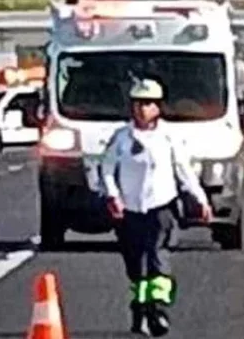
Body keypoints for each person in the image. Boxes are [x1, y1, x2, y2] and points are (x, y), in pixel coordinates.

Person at [100, 78, 213, 336]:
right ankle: (141, 310)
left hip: (161, 207)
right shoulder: (121, 138)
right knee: (136, 265)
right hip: (129, 210)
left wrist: (201, 199)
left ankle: (158, 310)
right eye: (138, 103)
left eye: (148, 103)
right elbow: (107, 170)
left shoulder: (169, 137)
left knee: (157, 257)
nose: (142, 109)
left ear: (158, 107)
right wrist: (113, 195)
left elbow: (184, 171)